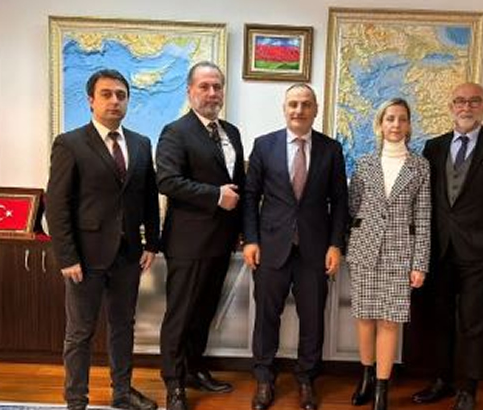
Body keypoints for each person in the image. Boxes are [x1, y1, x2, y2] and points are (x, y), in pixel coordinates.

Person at [46, 69, 160, 410]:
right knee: (80, 332)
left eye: (121, 95)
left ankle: (122, 393)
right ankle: (76, 399)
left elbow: (148, 198)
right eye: (107, 94)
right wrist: (67, 257)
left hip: (128, 256)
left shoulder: (141, 143)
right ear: (90, 101)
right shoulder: (70, 143)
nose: (114, 101)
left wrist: (152, 244)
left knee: (123, 327)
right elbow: (57, 204)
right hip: (85, 257)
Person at [411, 83, 483, 410]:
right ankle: (442, 380)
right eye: (460, 101)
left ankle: (468, 389)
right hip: (439, 249)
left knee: (473, 322)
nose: (466, 107)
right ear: (451, 106)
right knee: (440, 320)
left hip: (481, 252)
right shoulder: (433, 147)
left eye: (474, 101)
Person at [243, 83, 349, 410]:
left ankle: (306, 379)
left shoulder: (331, 149)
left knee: (312, 318)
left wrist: (336, 244)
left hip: (314, 250)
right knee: (266, 317)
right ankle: (264, 378)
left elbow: (340, 201)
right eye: (293, 104)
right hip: (270, 247)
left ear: (315, 109)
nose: (299, 110)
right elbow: (250, 196)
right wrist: (251, 239)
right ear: (284, 108)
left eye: (305, 104)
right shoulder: (264, 145)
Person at [156, 61, 245, 410]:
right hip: (188, 242)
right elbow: (167, 181)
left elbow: (239, 184)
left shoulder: (231, 132)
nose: (212, 93)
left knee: (203, 313)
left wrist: (242, 230)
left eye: (217, 86)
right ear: (190, 91)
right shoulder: (175, 132)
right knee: (180, 316)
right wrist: (215, 196)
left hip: (221, 242)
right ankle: (174, 384)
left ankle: (193, 369)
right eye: (204, 86)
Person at [346, 98, 431, 410]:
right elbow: (353, 206)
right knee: (364, 318)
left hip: (400, 252)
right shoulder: (364, 163)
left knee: (390, 321)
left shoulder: (420, 166)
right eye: (390, 118)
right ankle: (366, 377)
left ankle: (382, 387)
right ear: (380, 124)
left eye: (402, 119)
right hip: (364, 250)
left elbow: (423, 216)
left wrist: (419, 263)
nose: (396, 124)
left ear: (409, 125)